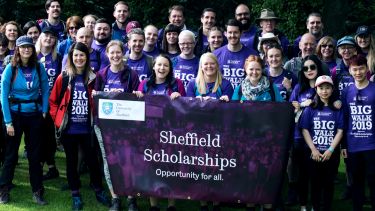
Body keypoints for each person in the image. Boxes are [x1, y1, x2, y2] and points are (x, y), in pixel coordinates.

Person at [49, 42, 110, 210]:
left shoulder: (94, 77)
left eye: (82, 55)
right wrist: (58, 119)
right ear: (71, 57)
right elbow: (53, 101)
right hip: (69, 129)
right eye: (75, 55)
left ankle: (98, 189)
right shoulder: (64, 77)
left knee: (93, 161)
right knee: (71, 161)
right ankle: (75, 193)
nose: (79, 58)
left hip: (87, 129)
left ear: (87, 57)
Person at [0, 35, 49, 205]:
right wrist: (8, 122)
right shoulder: (10, 69)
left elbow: (45, 88)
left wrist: (44, 110)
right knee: (11, 155)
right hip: (15, 115)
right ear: (18, 50)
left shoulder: (38, 66)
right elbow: (3, 96)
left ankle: (37, 190)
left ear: (32, 49)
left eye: (29, 46)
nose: (26, 49)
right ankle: (4, 189)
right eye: (23, 47)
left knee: (35, 156)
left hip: (34, 115)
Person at [134, 54, 185, 211]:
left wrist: (180, 97)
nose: (162, 68)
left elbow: (186, 109)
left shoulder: (177, 84)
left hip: (171, 133)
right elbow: (137, 108)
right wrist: (137, 96)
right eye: (159, 65)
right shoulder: (144, 84)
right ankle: (154, 205)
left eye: (165, 65)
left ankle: (171, 205)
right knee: (151, 168)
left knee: (171, 168)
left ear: (170, 69)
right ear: (154, 67)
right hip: (149, 132)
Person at [94, 40, 140, 211]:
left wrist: (136, 94)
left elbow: (137, 99)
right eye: (112, 53)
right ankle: (115, 198)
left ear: (123, 53)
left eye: (118, 52)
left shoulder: (131, 74)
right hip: (104, 126)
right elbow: (95, 100)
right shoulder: (101, 74)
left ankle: (131, 198)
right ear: (107, 54)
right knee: (109, 160)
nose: (115, 56)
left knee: (129, 159)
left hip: (127, 125)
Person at [300, 75, 344, 211]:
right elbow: (305, 129)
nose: (324, 91)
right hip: (314, 153)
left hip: (331, 154)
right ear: (316, 89)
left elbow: (340, 131)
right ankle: (315, 206)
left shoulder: (337, 108)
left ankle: (326, 207)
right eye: (321, 88)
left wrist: (330, 150)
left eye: (327, 88)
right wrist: (313, 149)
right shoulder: (311, 108)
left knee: (328, 183)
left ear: (332, 89)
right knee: (315, 183)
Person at [288, 54, 325, 211]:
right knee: (302, 174)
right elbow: (290, 109)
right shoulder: (298, 88)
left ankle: (316, 205)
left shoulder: (325, 86)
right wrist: (295, 106)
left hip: (320, 137)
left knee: (317, 175)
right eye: (305, 68)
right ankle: (303, 205)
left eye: (312, 67)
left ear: (318, 68)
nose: (309, 70)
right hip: (299, 137)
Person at [341, 54, 375, 211]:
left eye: (361, 68)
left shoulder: (374, 89)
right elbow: (345, 119)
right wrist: (343, 146)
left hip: (372, 145)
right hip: (353, 145)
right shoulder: (347, 92)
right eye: (355, 69)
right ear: (350, 70)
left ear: (367, 69)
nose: (358, 72)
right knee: (356, 181)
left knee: (373, 180)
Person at [35, 26, 62, 180]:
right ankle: (43, 166)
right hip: (34, 102)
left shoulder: (57, 58)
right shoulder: (33, 55)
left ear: (55, 41)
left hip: (52, 103)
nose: (49, 39)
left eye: (52, 37)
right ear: (41, 37)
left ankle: (49, 167)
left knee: (48, 137)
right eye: (46, 35)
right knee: (37, 136)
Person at [214, 19, 257, 88]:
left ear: (241, 33)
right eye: (230, 32)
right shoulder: (216, 55)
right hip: (223, 96)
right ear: (225, 34)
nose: (232, 35)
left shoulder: (252, 55)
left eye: (235, 32)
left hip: (244, 96)